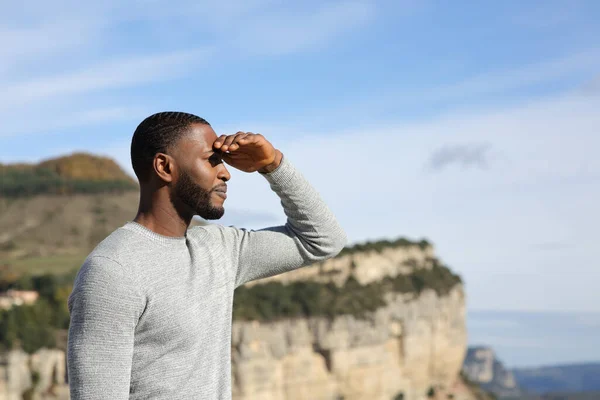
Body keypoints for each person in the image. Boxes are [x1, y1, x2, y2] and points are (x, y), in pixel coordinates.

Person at [66, 111, 347, 399]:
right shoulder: (112, 271)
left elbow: (323, 239)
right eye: (211, 160)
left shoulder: (220, 248)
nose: (225, 172)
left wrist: (272, 163)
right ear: (164, 166)